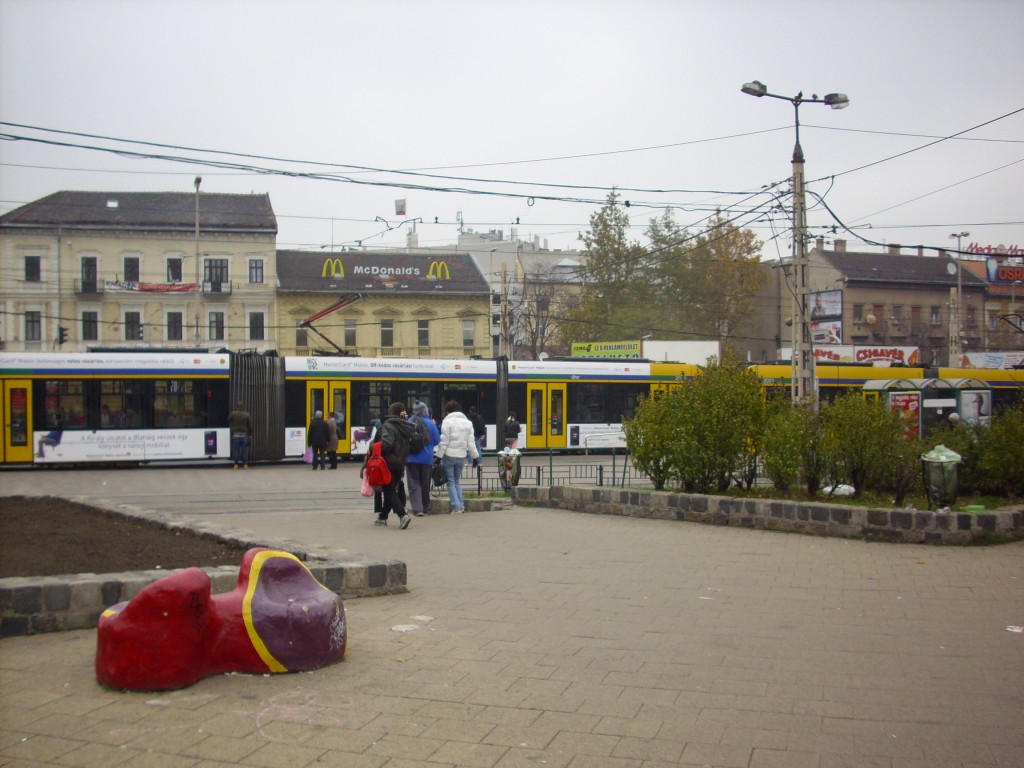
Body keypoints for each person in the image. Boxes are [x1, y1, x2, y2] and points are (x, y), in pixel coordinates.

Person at [435, 399, 479, 514]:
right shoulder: (468, 423)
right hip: (462, 456)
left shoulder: (447, 422)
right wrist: (475, 457)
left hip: (449, 455)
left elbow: (444, 441)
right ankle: (461, 505)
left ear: (447, 411)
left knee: (450, 481)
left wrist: (438, 456)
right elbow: (471, 443)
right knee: (457, 481)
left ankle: (456, 507)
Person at [406, 401, 441, 516]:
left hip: (411, 458)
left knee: (414, 483)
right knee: (425, 483)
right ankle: (425, 506)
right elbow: (437, 441)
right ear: (425, 411)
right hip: (426, 459)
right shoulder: (430, 423)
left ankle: (417, 508)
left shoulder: (409, 422)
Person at [227, 400, 253, 469]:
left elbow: (228, 420)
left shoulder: (233, 414)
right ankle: (245, 465)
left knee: (236, 450)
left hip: (236, 435)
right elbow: (250, 426)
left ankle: (235, 465)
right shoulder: (247, 414)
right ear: (243, 407)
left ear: (236, 407)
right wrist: (250, 435)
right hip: (244, 435)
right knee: (245, 450)